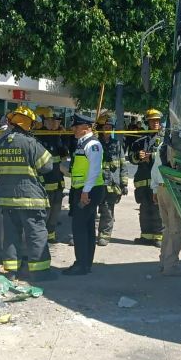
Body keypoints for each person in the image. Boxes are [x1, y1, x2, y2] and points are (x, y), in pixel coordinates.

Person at [0, 106, 56, 281]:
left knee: (11, 234)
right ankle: (40, 271)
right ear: (29, 125)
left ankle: (12, 271)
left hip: (7, 198)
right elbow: (47, 166)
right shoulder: (30, 143)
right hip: (29, 198)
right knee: (36, 233)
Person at [64, 113, 105, 276]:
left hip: (89, 190)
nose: (73, 129)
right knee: (87, 227)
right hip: (83, 189)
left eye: (76, 126)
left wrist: (85, 192)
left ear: (86, 128)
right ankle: (85, 263)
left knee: (79, 227)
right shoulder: (82, 143)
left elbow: (95, 169)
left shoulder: (92, 144)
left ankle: (81, 264)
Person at [152, 122, 181, 276]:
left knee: (167, 228)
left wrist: (154, 189)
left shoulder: (162, 146)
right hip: (173, 189)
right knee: (177, 230)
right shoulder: (176, 148)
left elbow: (155, 169)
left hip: (161, 188)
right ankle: (170, 266)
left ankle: (163, 261)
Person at [128, 109, 164, 246]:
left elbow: (167, 156)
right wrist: (137, 156)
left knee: (158, 209)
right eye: (152, 120)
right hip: (143, 181)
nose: (155, 123)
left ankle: (158, 237)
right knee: (144, 209)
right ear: (147, 122)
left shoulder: (166, 139)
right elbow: (131, 158)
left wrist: (152, 156)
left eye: (157, 120)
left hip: (158, 181)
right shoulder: (140, 140)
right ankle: (146, 236)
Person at [34, 106, 68, 244]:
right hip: (45, 182)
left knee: (55, 210)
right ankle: (41, 236)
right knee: (44, 212)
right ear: (43, 121)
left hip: (58, 181)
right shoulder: (37, 137)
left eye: (55, 120)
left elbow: (63, 155)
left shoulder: (56, 135)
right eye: (51, 120)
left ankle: (51, 234)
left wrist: (64, 142)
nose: (55, 123)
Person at [96, 114, 127, 246]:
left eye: (110, 127)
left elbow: (123, 165)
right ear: (100, 128)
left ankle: (105, 235)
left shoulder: (117, 144)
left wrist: (124, 183)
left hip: (111, 185)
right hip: (96, 184)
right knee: (91, 211)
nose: (107, 129)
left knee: (108, 211)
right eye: (105, 127)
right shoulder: (95, 144)